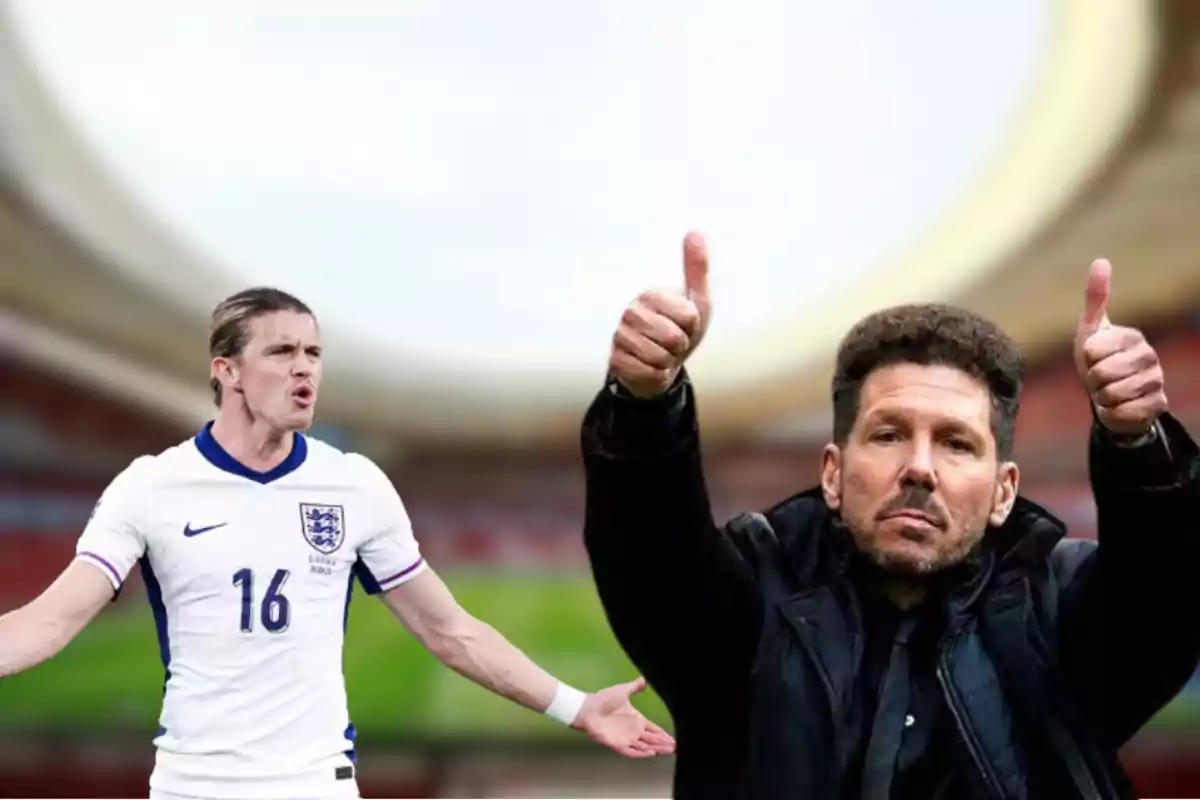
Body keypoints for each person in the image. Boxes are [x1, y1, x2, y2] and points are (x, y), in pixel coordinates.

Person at [582, 232, 1200, 799]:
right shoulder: (751, 602)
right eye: (887, 436)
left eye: (957, 443)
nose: (920, 467)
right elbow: (650, 555)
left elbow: (1162, 599)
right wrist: (645, 404)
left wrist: (1135, 444)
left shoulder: (1058, 612)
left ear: (1004, 492)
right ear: (832, 472)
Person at [0, 287, 674, 800]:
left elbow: (450, 632)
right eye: (282, 351)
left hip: (317, 784)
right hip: (194, 785)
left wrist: (577, 707)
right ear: (227, 371)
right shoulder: (150, 486)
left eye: (314, 352)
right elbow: (50, 621)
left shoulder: (354, 485)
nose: (306, 370)